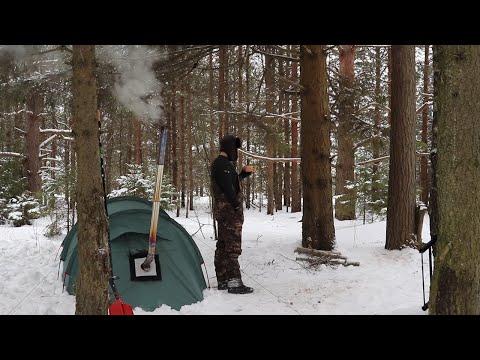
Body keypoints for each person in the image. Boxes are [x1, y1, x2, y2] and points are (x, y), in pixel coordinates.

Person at [211, 134, 254, 294]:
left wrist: (242, 175)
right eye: (235, 148)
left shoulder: (223, 165)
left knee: (223, 245)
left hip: (226, 213)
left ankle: (224, 280)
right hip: (229, 213)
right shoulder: (221, 164)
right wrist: (235, 205)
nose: (236, 151)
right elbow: (228, 189)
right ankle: (234, 282)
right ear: (229, 147)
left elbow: (230, 183)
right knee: (232, 248)